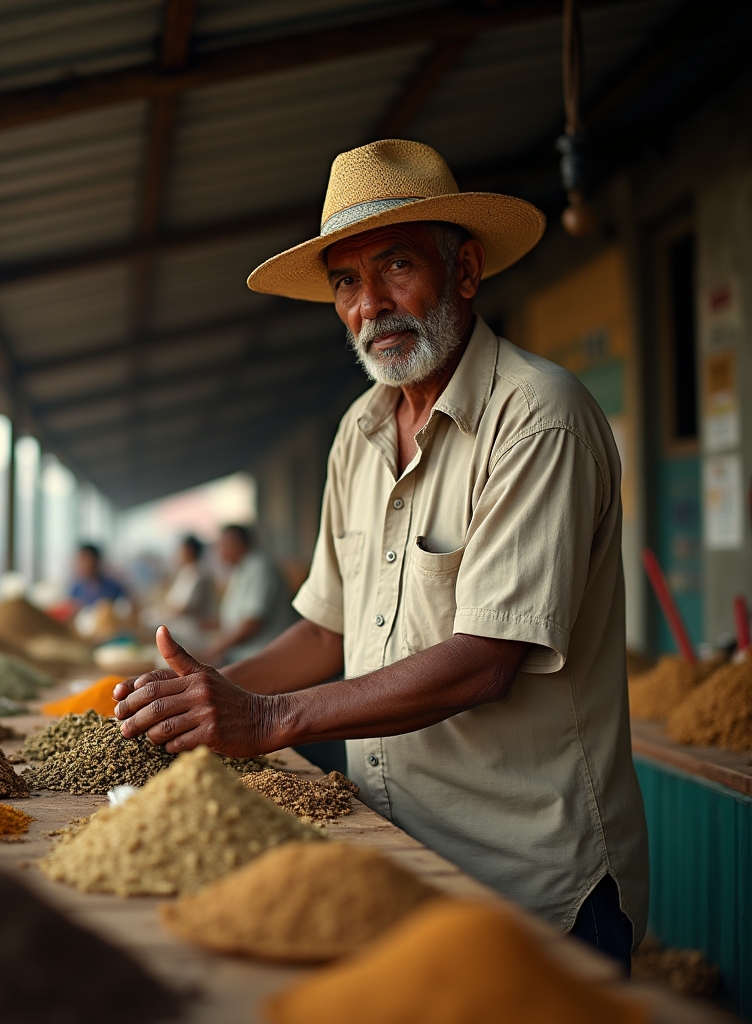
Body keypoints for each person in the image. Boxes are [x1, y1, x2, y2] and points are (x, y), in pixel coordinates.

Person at [113, 140, 648, 972]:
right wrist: (201, 698)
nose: (372, 306)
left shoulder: (538, 419)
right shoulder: (358, 433)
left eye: (397, 267)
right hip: (394, 856)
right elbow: (324, 632)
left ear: (466, 271)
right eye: (345, 282)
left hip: (532, 882)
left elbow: (485, 663)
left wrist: (265, 719)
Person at [203, 526, 296, 665]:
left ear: (238, 544)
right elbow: (235, 616)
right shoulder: (241, 569)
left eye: (222, 545)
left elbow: (252, 622)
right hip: (241, 655)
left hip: (260, 657)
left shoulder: (260, 568)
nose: (219, 552)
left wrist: (215, 650)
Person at [155, 535, 217, 651]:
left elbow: (183, 607)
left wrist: (162, 613)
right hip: (185, 627)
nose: (177, 555)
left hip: (195, 631)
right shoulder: (186, 572)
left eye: (180, 551)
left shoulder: (199, 574)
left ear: (189, 551)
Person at [67, 543, 126, 611]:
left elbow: (123, 608)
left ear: (97, 561)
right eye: (82, 561)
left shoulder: (113, 588)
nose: (86, 565)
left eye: (89, 560)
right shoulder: (75, 590)